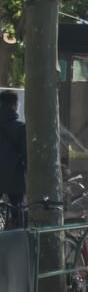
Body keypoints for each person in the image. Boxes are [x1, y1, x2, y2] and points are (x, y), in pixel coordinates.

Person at [0, 90, 24, 219]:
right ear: (15, 105)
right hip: (15, 178)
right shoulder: (20, 128)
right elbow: (26, 155)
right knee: (17, 214)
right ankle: (14, 236)